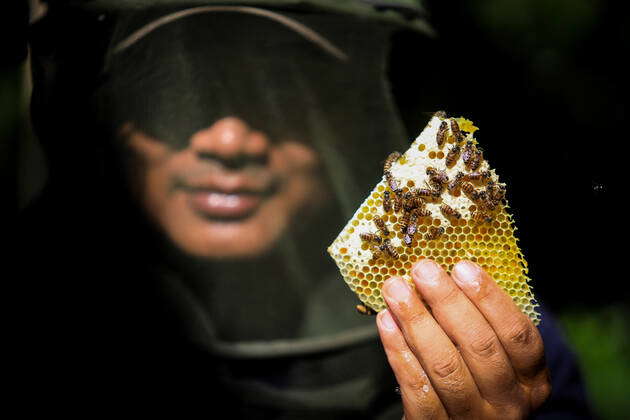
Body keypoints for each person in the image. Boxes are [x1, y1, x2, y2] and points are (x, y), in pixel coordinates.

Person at [20, 0, 594, 418]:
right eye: (170, 95)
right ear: (98, 111)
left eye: (281, 89)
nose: (227, 140)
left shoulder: (491, 342)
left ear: (354, 115)